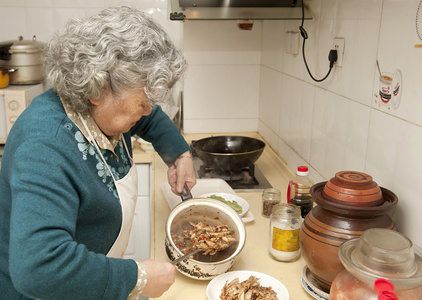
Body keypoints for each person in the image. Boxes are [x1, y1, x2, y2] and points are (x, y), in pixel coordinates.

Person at [0, 6, 196, 300]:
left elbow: (149, 117)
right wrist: (137, 278)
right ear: (97, 89)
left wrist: (180, 154)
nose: (146, 110)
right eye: (143, 100)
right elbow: (38, 267)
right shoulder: (44, 146)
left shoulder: (107, 107)